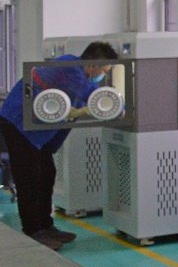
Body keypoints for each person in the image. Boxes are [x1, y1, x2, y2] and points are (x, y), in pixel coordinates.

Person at [0, 40, 119, 250]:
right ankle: (33, 231)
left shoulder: (75, 69)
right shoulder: (70, 70)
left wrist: (113, 105)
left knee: (47, 173)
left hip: (35, 130)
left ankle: (46, 226)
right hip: (19, 123)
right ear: (93, 65)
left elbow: (91, 94)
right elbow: (91, 95)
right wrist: (114, 106)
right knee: (30, 178)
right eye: (104, 71)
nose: (103, 76)